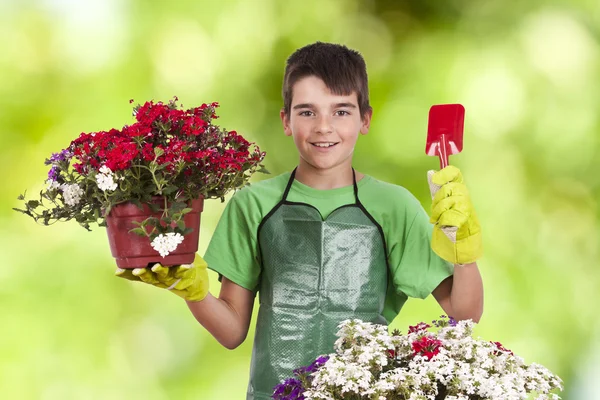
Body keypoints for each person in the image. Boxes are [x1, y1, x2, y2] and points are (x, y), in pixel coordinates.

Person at [116, 42, 484, 400]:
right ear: (286, 120)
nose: (324, 127)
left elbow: (463, 315)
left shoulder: (394, 206)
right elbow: (231, 332)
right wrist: (193, 291)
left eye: (341, 111)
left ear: (365, 119)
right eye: (307, 111)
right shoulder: (253, 205)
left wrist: (463, 252)